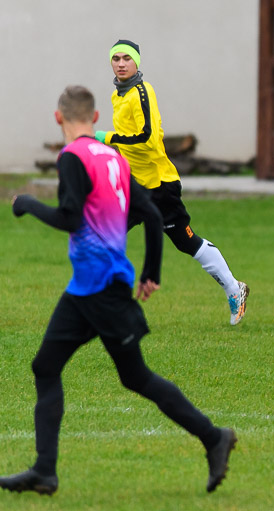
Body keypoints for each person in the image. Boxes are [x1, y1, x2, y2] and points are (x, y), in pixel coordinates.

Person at [0, 86, 236, 496]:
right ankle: (44, 471)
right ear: (95, 118)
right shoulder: (113, 157)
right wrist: (151, 272)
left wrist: (27, 204)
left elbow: (70, 218)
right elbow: (151, 213)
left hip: (102, 289)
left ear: (58, 118)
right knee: (47, 367)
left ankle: (214, 437)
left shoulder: (72, 157)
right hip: (86, 289)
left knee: (136, 376)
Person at [94, 39, 249, 326]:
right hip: (135, 185)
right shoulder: (118, 95)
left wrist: (109, 138)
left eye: (127, 58)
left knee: (186, 241)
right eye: (116, 58)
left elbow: (148, 138)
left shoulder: (142, 92)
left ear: (137, 62)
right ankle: (103, 304)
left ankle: (234, 288)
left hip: (159, 185)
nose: (121, 63)